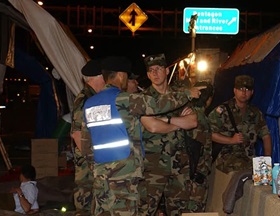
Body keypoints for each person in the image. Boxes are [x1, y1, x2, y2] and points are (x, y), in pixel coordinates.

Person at [83, 56, 204, 215]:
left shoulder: (89, 104)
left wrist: (97, 169)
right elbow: (158, 105)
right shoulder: (124, 99)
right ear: (121, 75)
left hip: (101, 176)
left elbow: (86, 146)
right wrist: (188, 93)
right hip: (124, 175)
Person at [139, 53, 199, 216]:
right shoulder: (144, 98)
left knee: (179, 210)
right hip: (153, 165)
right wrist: (179, 122)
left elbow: (193, 121)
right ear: (147, 74)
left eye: (158, 69)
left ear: (166, 71)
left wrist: (166, 119)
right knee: (147, 210)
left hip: (179, 163)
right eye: (151, 70)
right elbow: (152, 127)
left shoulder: (179, 95)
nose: (155, 73)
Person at [208, 75, 272, 173]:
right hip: (226, 163)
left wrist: (267, 161)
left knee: (263, 183)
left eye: (247, 89)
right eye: (240, 89)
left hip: (249, 161)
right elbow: (209, 133)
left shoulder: (255, 113)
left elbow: (266, 136)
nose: (244, 92)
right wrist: (231, 140)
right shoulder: (222, 110)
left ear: (252, 93)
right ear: (234, 90)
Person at [70, 59, 105, 215]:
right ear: (97, 77)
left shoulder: (92, 97)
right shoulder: (85, 100)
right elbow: (77, 134)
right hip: (86, 163)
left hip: (91, 159)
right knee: (85, 202)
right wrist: (92, 163)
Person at [183, 81, 214, 212]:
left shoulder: (186, 113)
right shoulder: (200, 118)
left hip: (187, 175)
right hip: (197, 176)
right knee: (194, 210)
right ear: (209, 98)